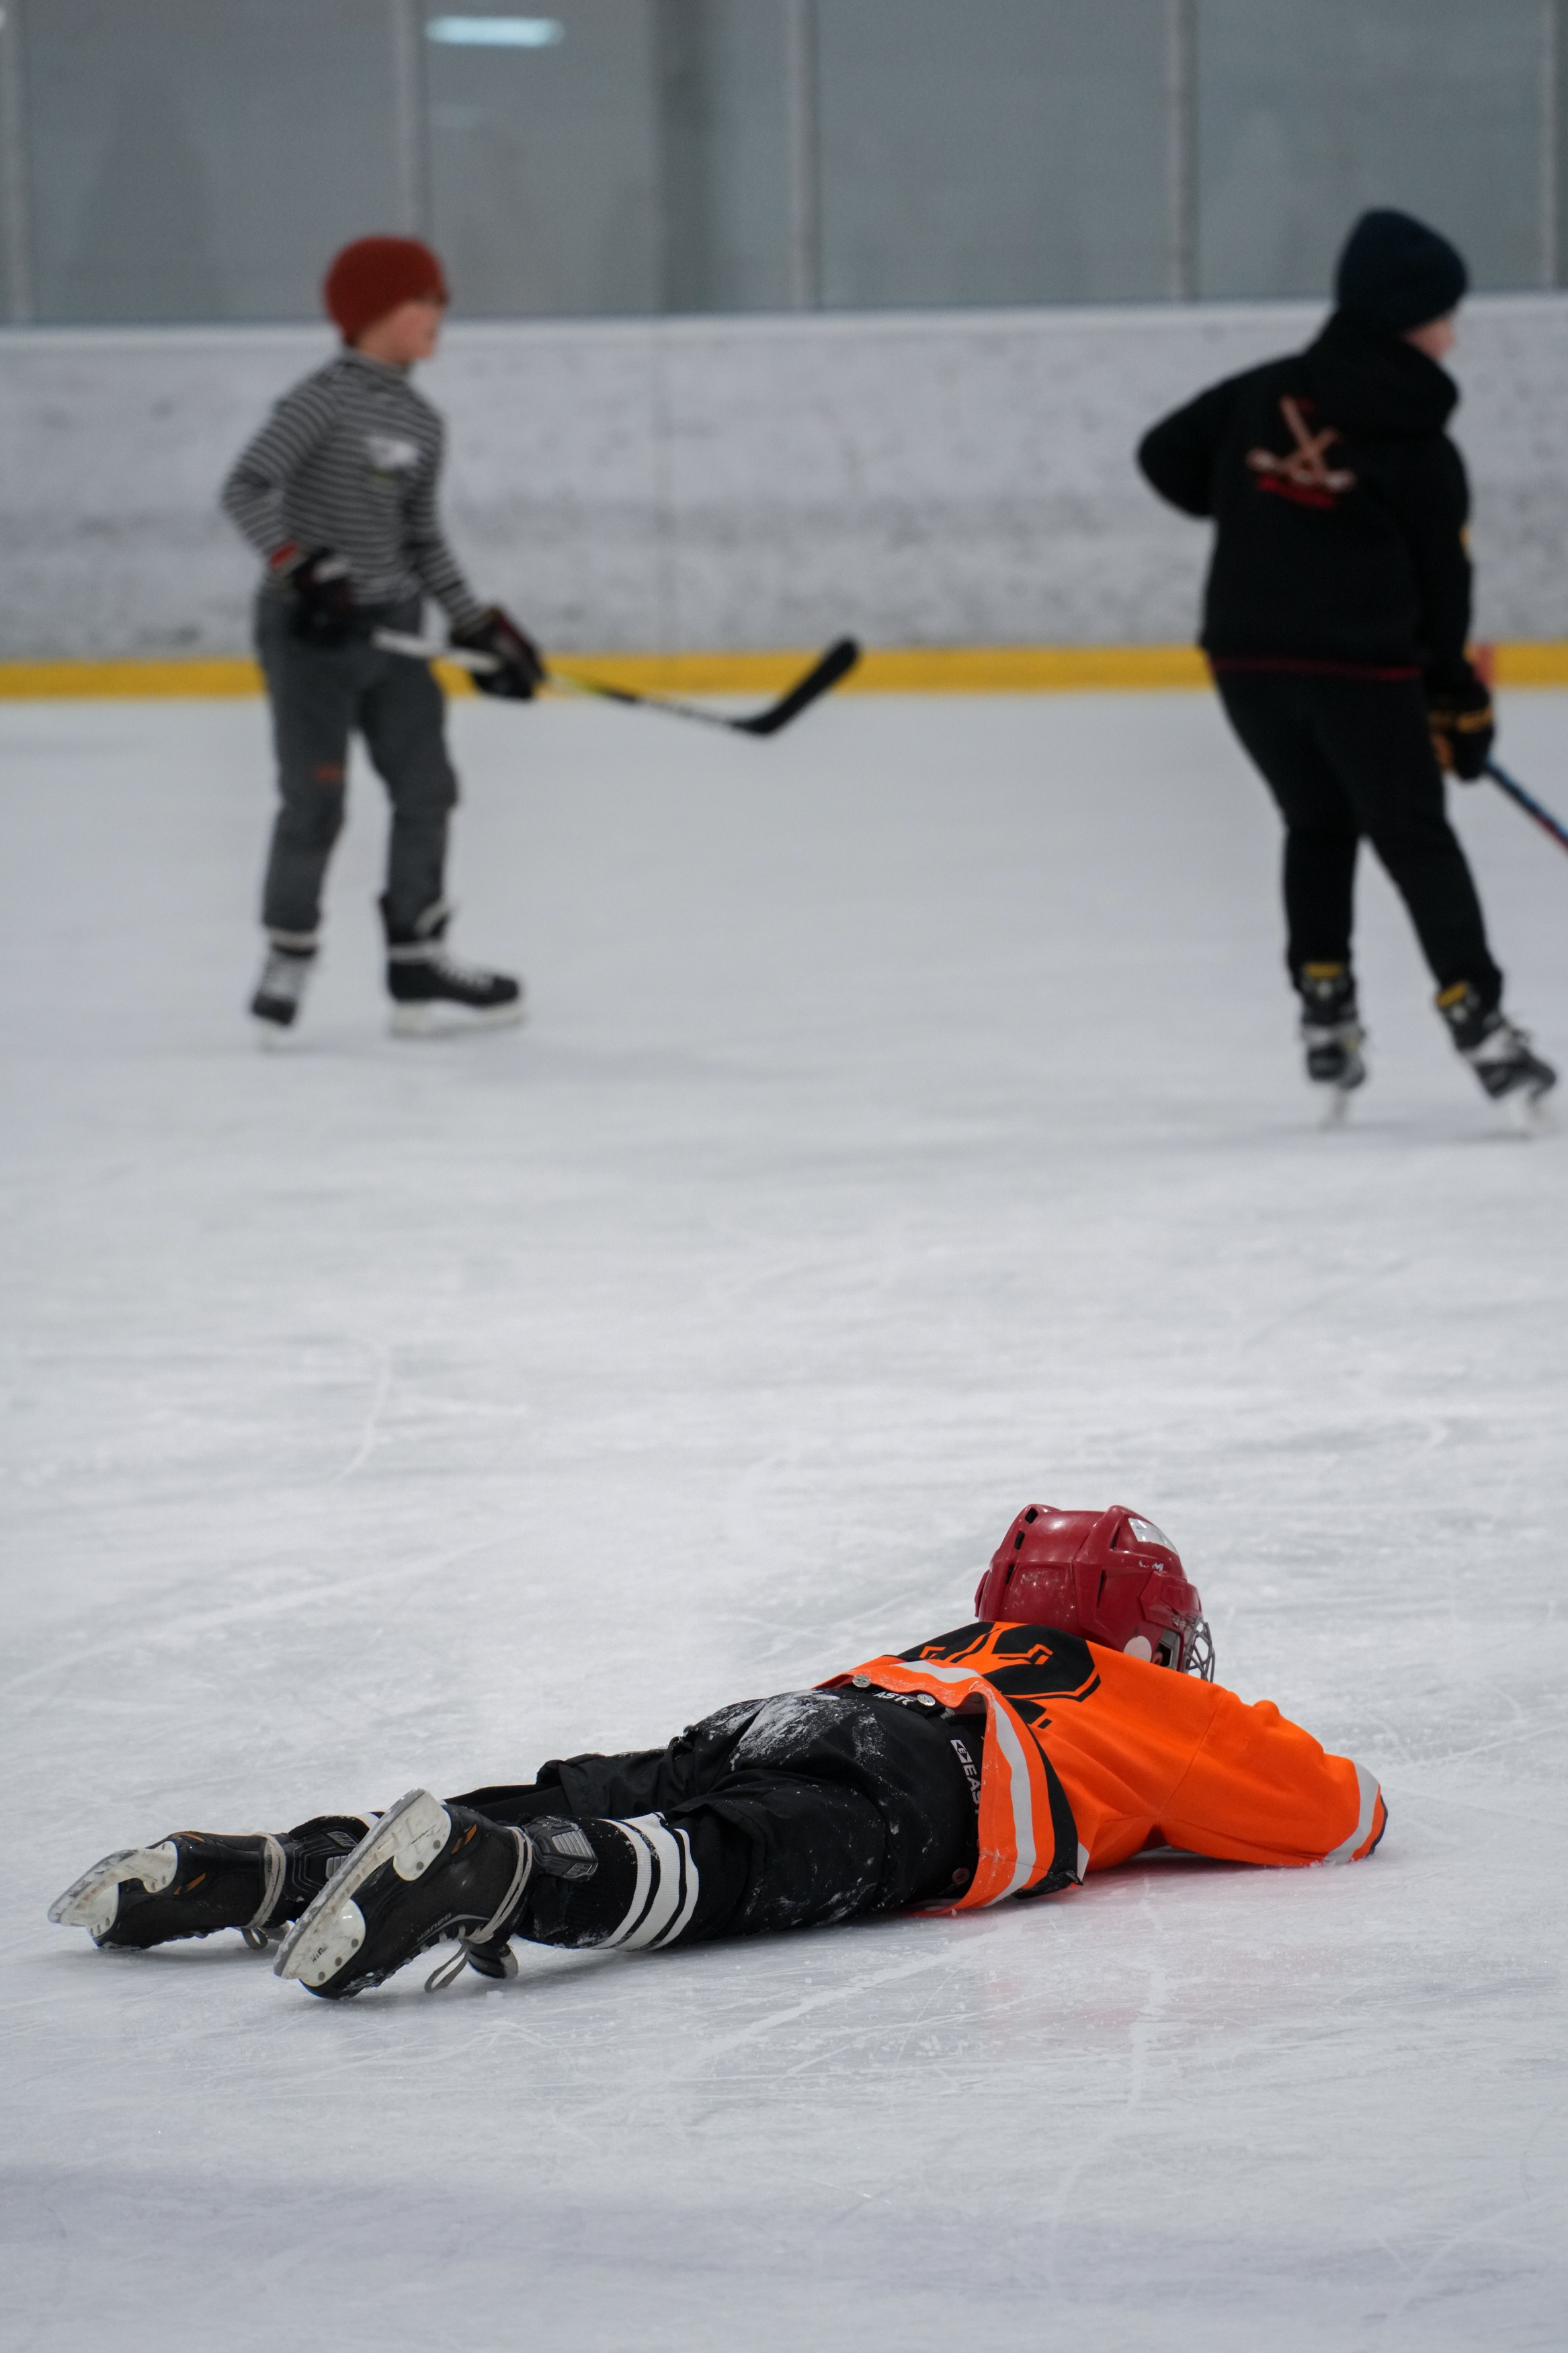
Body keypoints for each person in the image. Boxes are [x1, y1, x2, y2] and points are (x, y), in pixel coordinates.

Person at [50, 1504, 1387, 2002]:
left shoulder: (956, 1637)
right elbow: (1337, 1812)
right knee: (719, 1861)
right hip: (939, 1782)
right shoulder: (1149, 1702)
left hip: (787, 1712)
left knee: (619, 1783)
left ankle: (276, 1863)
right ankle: (505, 1871)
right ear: (1141, 1635)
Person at [1137, 208, 1556, 1118]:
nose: (1452, 333)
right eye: (1444, 314)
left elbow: (1162, 455)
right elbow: (1443, 594)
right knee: (1414, 837)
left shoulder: (1262, 395)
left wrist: (1259, 515)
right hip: (1361, 673)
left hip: (1245, 659)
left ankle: (1325, 1012)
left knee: (1316, 822)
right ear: (1407, 319)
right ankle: (1477, 1019)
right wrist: (1458, 702)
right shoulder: (1420, 448)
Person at [222, 235, 544, 1041]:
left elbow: (422, 539)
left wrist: (478, 625)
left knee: (427, 788)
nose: (438, 315)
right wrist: (303, 569)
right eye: (420, 301)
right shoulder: (319, 401)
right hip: (311, 638)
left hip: (393, 633)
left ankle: (417, 955)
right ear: (369, 313)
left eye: (441, 301)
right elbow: (245, 487)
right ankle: (288, 950)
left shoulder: (421, 421)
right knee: (316, 802)